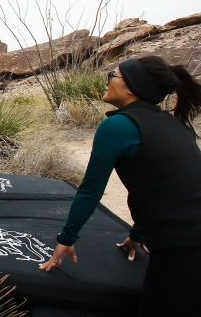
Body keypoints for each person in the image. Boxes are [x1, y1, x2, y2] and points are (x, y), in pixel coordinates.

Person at [39, 55, 201, 316]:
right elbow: (172, 184)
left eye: (111, 76)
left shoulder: (119, 126)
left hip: (182, 249)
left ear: (131, 86)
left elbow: (91, 190)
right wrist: (138, 234)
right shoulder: (172, 125)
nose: (106, 82)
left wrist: (66, 239)